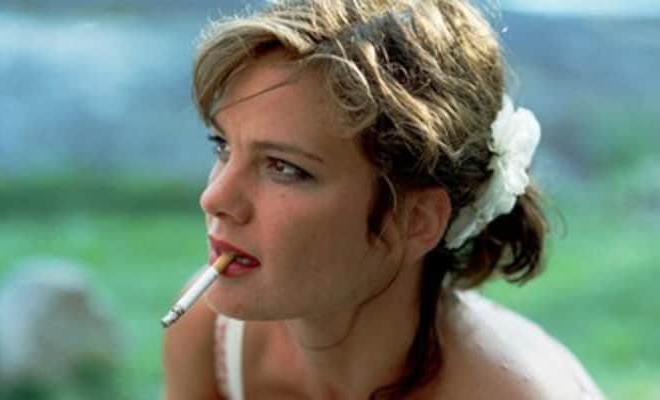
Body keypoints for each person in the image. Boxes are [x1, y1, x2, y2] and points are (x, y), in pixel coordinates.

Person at [163, 0, 605, 398]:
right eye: (223, 146)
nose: (214, 197)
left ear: (416, 219)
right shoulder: (210, 336)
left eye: (285, 167)